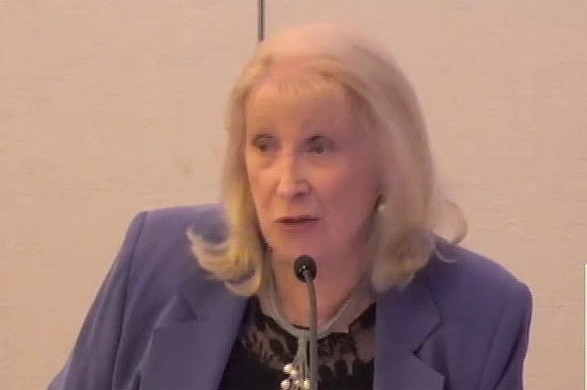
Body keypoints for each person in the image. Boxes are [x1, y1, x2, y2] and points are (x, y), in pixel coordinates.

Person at [47, 23, 532, 390]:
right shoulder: (155, 260)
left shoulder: (482, 310)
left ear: (389, 162)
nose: (287, 182)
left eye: (319, 147)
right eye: (264, 145)